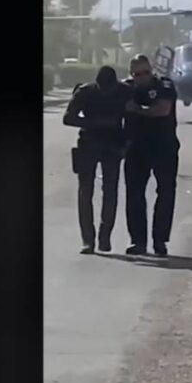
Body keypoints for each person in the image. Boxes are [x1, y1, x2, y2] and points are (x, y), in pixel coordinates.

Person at [62, 66, 131, 254]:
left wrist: (127, 144)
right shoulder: (85, 92)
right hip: (89, 142)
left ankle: (104, 237)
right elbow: (68, 118)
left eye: (109, 89)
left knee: (110, 191)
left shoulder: (124, 92)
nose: (106, 92)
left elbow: (133, 119)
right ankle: (88, 240)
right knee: (86, 192)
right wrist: (95, 122)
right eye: (103, 89)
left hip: (113, 144)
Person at [123, 55, 180, 257]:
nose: (142, 77)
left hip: (163, 146)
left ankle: (159, 240)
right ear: (132, 74)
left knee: (165, 193)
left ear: (151, 70)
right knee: (135, 195)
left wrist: (137, 109)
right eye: (137, 74)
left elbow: (163, 109)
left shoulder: (164, 84)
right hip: (137, 147)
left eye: (145, 72)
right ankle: (138, 241)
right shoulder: (126, 88)